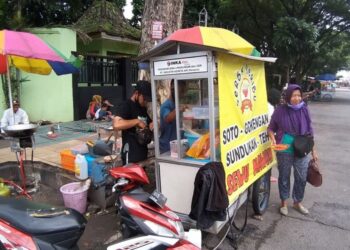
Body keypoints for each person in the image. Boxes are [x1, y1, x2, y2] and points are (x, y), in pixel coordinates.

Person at [268, 84, 318, 216]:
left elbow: (310, 131)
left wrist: (314, 150)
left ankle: (297, 202)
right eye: (294, 95)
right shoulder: (280, 110)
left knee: (301, 177)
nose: (296, 98)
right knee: (284, 176)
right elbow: (271, 128)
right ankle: (284, 202)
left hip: (302, 147)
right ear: (288, 96)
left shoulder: (304, 109)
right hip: (284, 148)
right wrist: (273, 138)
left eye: (298, 95)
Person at [113, 80, 153, 164]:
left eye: (148, 99)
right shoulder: (126, 105)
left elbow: (148, 123)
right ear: (137, 93)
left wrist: (152, 125)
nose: (146, 101)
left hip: (142, 154)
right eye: (144, 98)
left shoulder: (142, 108)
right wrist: (136, 121)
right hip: (130, 156)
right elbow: (116, 124)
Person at [159, 80, 187, 154]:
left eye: (184, 92)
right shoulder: (166, 106)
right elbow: (168, 118)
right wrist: (178, 109)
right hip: (167, 148)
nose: (182, 94)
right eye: (181, 91)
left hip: (178, 146)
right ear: (173, 89)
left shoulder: (177, 104)